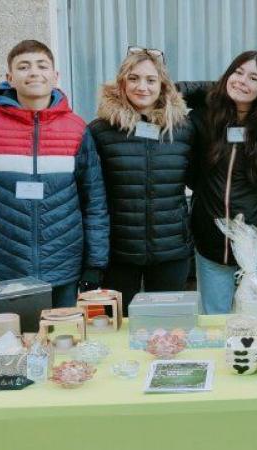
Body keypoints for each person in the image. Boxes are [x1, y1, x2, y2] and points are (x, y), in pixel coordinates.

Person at [0, 39, 109, 307]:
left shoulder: (76, 128)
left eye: (42, 65)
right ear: (10, 77)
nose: (34, 72)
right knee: (12, 344)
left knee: (64, 343)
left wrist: (95, 263)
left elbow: (94, 201)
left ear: (55, 75)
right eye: (24, 67)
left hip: (64, 265)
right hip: (7, 267)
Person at [89, 46, 196, 310]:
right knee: (118, 327)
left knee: (167, 328)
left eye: (151, 80)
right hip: (119, 252)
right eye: (133, 78)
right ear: (121, 83)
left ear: (163, 84)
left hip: (171, 250)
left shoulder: (182, 129)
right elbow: (92, 195)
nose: (142, 87)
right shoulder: (100, 131)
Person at [185, 51, 257, 314]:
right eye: (237, 72)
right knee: (216, 322)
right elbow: (190, 172)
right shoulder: (203, 118)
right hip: (212, 244)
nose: (242, 81)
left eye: (253, 78)